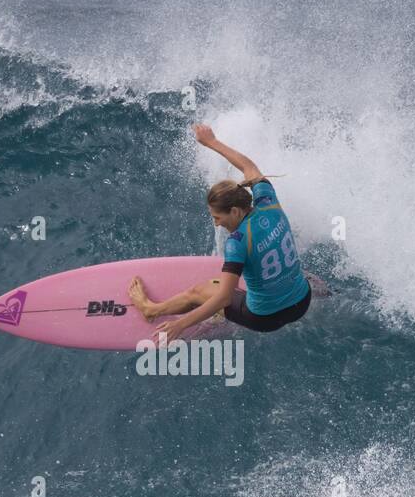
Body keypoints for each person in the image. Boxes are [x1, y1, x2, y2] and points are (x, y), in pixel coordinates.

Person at [128, 124, 313, 342]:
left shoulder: (238, 241)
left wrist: (180, 324)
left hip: (265, 318)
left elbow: (225, 297)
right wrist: (212, 142)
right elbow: (249, 167)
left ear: (235, 211)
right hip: (302, 302)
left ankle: (151, 310)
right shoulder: (268, 201)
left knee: (200, 291)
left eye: (217, 217)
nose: (216, 224)